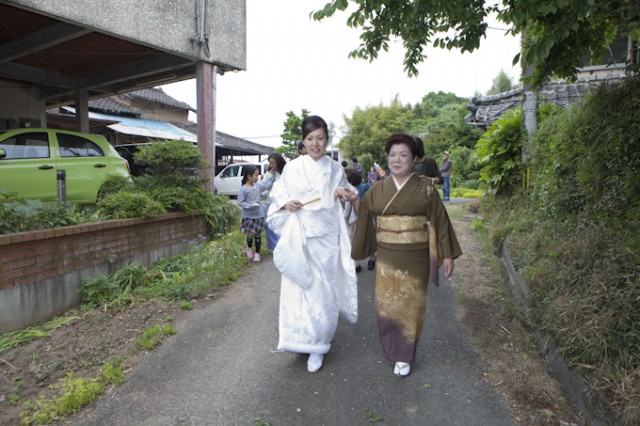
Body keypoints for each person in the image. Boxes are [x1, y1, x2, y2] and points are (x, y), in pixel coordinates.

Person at [351, 132, 462, 378]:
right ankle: (392, 348)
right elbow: (365, 214)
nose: (397, 160)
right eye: (392, 155)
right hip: (387, 256)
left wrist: (447, 255)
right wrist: (351, 199)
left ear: (414, 160)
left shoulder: (425, 189)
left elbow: (440, 221)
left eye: (403, 155)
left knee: (411, 304)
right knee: (386, 302)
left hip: (416, 256)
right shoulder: (377, 188)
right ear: (387, 158)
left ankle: (404, 354)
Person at [267, 115, 359, 373]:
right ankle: (300, 339)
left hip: (326, 239)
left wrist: (344, 196)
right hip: (301, 237)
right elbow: (278, 196)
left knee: (323, 292)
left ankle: (319, 344)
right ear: (303, 141)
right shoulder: (293, 168)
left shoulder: (335, 169)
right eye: (310, 139)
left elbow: (347, 194)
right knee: (299, 291)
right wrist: (287, 204)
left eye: (320, 138)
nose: (315, 144)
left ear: (327, 140)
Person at [237, 165, 266, 263]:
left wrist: (273, 176)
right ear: (249, 176)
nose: (257, 177)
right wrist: (251, 205)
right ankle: (249, 248)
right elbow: (240, 202)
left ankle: (257, 253)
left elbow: (266, 185)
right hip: (249, 216)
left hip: (259, 215)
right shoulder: (243, 189)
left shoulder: (257, 186)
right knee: (251, 233)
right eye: (255, 175)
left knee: (258, 233)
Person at [260, 153, 287, 251]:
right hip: (270, 202)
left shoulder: (285, 172)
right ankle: (273, 247)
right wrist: (269, 175)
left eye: (273, 163)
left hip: (282, 202)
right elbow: (261, 187)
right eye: (270, 163)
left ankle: (281, 246)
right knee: (269, 224)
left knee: (280, 224)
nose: (271, 166)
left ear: (279, 163)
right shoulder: (270, 173)